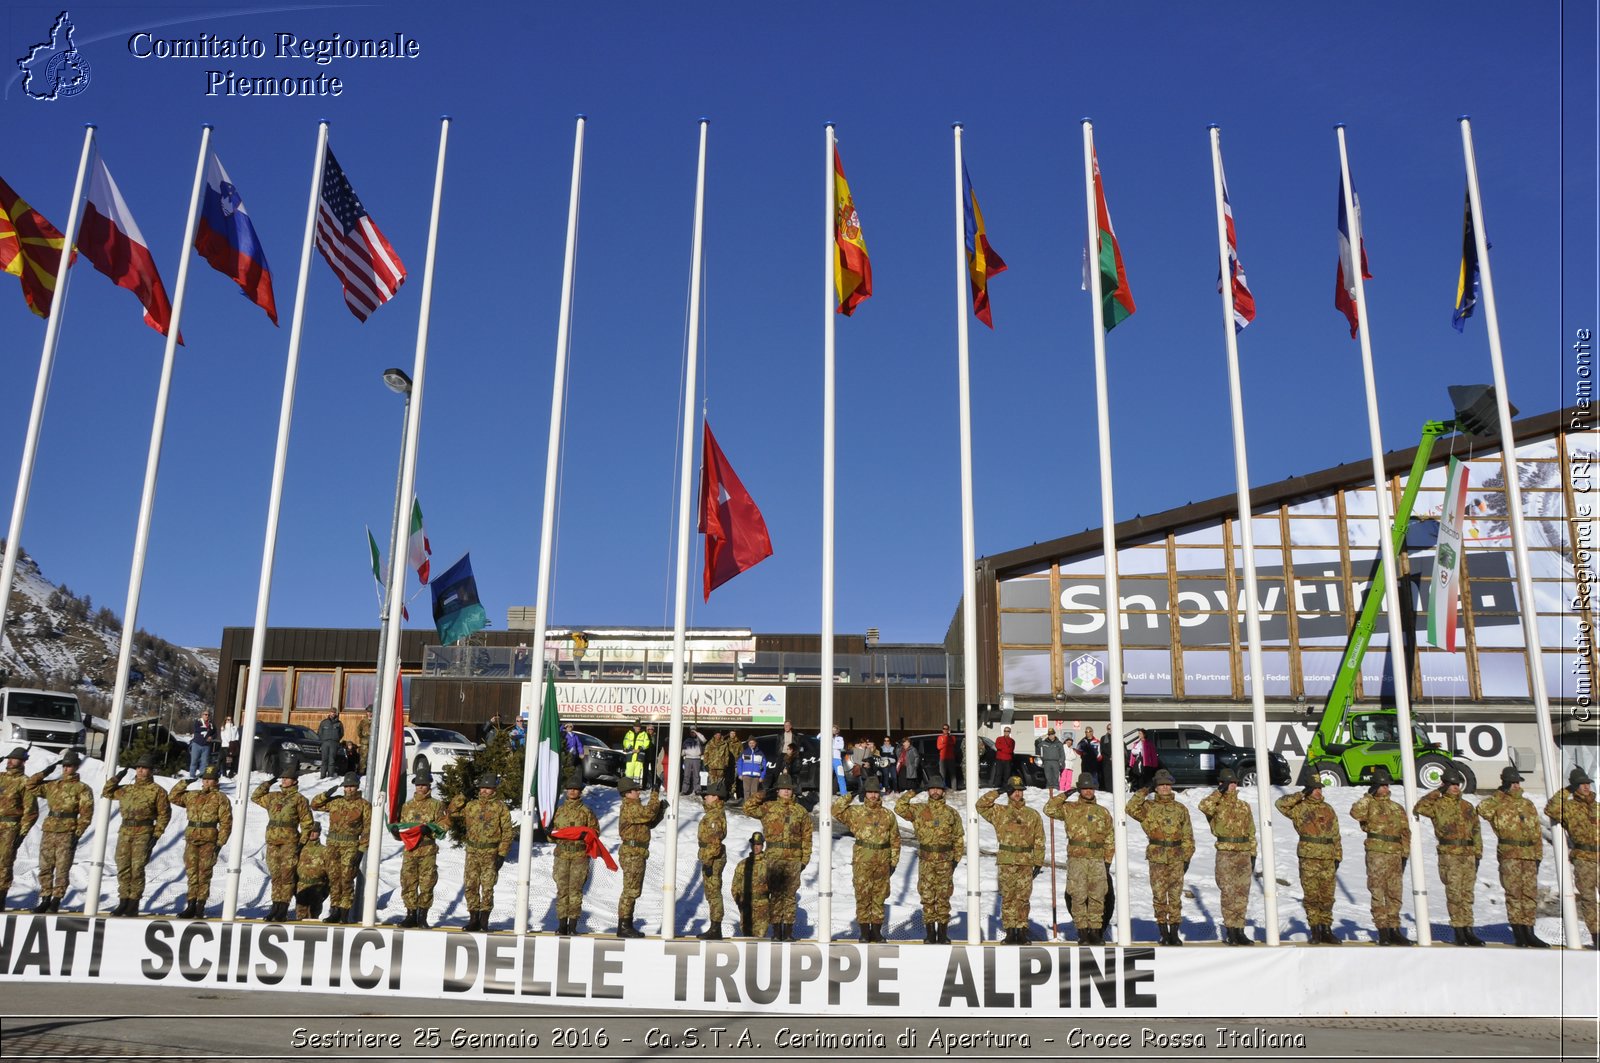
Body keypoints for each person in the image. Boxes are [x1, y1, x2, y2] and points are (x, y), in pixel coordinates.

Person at [1475, 765, 1548, 947]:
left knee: (1529, 895)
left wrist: (1538, 855)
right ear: (1505, 784)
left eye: (1517, 782)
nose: (1516, 786)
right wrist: (1500, 793)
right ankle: (1519, 934)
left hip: (1529, 854)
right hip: (1510, 855)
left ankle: (1530, 932)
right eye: (1512, 783)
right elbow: (1481, 809)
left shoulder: (1527, 804)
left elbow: (1536, 832)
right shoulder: (1497, 803)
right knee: (1514, 894)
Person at [1413, 766, 1484, 946]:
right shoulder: (1437, 804)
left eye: (1457, 784)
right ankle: (1458, 930)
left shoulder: (1467, 806)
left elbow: (1476, 830)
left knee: (1467, 893)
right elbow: (1420, 807)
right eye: (1451, 784)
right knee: (1454, 893)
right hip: (1449, 854)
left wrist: (1478, 852)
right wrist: (1437, 791)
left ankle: (1469, 929)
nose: (1455, 787)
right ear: (1445, 785)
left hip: (1468, 854)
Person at [1043, 772, 1115, 944]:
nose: (1088, 791)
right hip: (1077, 859)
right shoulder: (1069, 808)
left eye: (1090, 788)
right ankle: (1082, 932)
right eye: (1084, 788)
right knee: (1078, 896)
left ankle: (1095, 932)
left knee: (1098, 896)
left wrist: (1107, 861)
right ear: (1079, 790)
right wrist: (1066, 793)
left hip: (1097, 859)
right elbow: (1049, 809)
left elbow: (1110, 838)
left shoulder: (1102, 812)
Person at [1127, 768, 1195, 945]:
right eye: (1160, 785)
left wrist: (1186, 858)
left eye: (1167, 785)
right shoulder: (1148, 808)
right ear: (1155, 788)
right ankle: (1163, 932)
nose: (1164, 788)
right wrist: (1144, 789)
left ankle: (1174, 932)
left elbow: (1188, 835)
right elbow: (1130, 807)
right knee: (1159, 896)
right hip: (1157, 856)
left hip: (1176, 857)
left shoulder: (1180, 809)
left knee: (1175, 896)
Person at [740, 772, 812, 939]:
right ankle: (776, 932)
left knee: (789, 896)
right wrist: (763, 794)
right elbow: (747, 808)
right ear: (777, 791)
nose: (786, 792)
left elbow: (807, 837)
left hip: (794, 859)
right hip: (773, 858)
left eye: (789, 789)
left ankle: (787, 932)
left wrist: (804, 860)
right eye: (782, 789)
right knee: (775, 895)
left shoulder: (800, 811)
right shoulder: (768, 807)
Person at [1346, 766, 1411, 946]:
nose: (1385, 788)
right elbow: (1355, 813)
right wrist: (1368, 796)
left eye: (1386, 785)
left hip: (1395, 854)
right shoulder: (1369, 804)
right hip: (1376, 853)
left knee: (1395, 893)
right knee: (1377, 891)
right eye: (1381, 785)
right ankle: (1382, 930)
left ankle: (1394, 929)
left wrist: (1404, 853)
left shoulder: (1396, 808)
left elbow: (1405, 832)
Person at [833, 776, 902, 942]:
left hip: (882, 862)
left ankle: (877, 932)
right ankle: (864, 932)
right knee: (863, 897)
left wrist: (893, 862)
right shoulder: (856, 813)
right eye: (869, 792)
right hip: (862, 861)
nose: (872, 795)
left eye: (875, 792)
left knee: (879, 897)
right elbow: (836, 810)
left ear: (879, 794)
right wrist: (851, 795)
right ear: (865, 794)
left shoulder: (887, 815)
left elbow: (895, 840)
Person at [102, 753, 173, 916]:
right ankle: (123, 901)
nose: (140, 771)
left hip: (144, 832)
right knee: (123, 867)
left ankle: (133, 903)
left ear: (151, 771)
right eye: (138, 768)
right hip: (125, 831)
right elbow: (107, 791)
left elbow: (164, 814)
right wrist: (118, 777)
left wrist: (156, 834)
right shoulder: (127, 789)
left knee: (137, 868)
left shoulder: (157, 791)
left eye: (144, 768)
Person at [1277, 777, 1345, 945]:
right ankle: (1315, 930)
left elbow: (1336, 834)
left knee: (1327, 896)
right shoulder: (1300, 808)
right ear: (1308, 790)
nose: (1318, 791)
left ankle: (1326, 929)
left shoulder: (1328, 809)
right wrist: (1300, 794)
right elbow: (1280, 804)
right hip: (1309, 857)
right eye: (1314, 788)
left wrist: (1338, 855)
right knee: (1311, 896)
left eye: (1320, 788)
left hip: (1328, 857)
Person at [978, 774, 1044, 943]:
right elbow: (980, 805)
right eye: (1013, 791)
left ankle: (1021, 931)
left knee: (1023, 898)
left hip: (1025, 861)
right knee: (1008, 897)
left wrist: (1038, 861)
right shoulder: (999, 812)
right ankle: (1010, 931)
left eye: (1020, 791)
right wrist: (999, 791)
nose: (1017, 794)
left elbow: (1039, 839)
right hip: (1007, 860)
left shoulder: (1032, 814)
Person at [895, 779, 963, 943]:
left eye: (938, 789)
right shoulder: (919, 810)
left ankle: (943, 933)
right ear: (928, 791)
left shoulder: (951, 813)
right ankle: (930, 934)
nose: (935, 791)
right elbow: (899, 807)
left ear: (943, 791)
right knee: (927, 896)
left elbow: (958, 839)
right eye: (932, 788)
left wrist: (955, 860)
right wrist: (913, 792)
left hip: (945, 861)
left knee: (943, 897)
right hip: (926, 860)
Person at [1198, 767, 1258, 945]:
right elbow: (1203, 806)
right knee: (1228, 892)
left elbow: (1251, 831)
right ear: (1221, 784)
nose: (1232, 786)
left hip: (1243, 852)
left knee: (1242, 893)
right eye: (1228, 783)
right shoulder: (1215, 804)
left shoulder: (1244, 806)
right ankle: (1231, 930)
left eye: (1233, 783)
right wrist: (1219, 792)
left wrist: (1252, 854)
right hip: (1225, 852)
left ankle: (1240, 930)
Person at [25, 751, 91, 913]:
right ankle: (45, 897)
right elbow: (30, 785)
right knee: (45, 866)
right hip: (49, 829)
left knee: (62, 868)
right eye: (65, 766)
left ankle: (56, 899)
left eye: (70, 766)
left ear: (76, 767)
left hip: (67, 831)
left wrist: (78, 832)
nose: (66, 769)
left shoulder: (82, 788)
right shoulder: (53, 785)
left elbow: (86, 813)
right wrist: (45, 772)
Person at [450, 774, 514, 932]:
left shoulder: (500, 807)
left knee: (487, 887)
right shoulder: (471, 805)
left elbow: (507, 832)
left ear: (494, 789)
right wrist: (462, 795)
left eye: (488, 788)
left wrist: (502, 854)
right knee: (471, 886)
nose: (484, 791)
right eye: (482, 788)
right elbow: (451, 811)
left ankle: (484, 920)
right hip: (472, 852)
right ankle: (473, 919)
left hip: (490, 852)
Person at [169, 764, 232, 919]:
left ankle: (200, 907)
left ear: (216, 781)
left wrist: (219, 844)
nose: (206, 782)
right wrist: (184, 783)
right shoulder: (193, 795)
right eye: (205, 779)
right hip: (192, 838)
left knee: (204, 874)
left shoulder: (221, 798)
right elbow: (173, 797)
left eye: (210, 780)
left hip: (209, 840)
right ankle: (190, 905)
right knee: (192, 873)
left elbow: (226, 823)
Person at [1545, 766, 1599, 950]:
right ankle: (1596, 934)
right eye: (1581, 784)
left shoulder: (1597, 807)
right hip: (1584, 858)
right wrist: (1566, 790)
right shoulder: (1568, 807)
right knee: (1588, 898)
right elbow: (1550, 809)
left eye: (1587, 784)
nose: (1586, 787)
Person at [251, 768, 313, 921]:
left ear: (295, 781)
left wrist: (302, 842)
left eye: (288, 778)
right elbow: (255, 796)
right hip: (272, 841)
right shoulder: (273, 797)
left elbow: (307, 822)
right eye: (283, 778)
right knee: (276, 876)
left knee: (287, 877)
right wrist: (268, 783)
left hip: (289, 842)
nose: (284, 780)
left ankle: (283, 908)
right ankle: (275, 906)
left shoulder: (299, 799)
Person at [310, 772, 371, 924]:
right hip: (332, 845)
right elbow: (315, 805)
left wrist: (362, 849)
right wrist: (326, 794)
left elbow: (368, 828)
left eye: (352, 786)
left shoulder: (364, 805)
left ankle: (345, 912)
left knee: (347, 879)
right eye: (347, 787)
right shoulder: (335, 802)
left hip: (350, 846)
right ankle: (335, 910)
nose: (349, 789)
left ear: (357, 787)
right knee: (333, 879)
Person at [613, 775, 664, 937]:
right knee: (630, 890)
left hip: (638, 853)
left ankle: (626, 924)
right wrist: (655, 794)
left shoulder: (635, 807)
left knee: (633, 889)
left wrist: (661, 809)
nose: (638, 793)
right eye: (634, 790)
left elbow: (649, 822)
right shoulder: (630, 807)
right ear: (626, 793)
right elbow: (649, 814)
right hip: (632, 853)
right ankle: (624, 926)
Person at [551, 772, 600, 934]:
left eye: (576, 789)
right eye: (570, 789)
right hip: (562, 856)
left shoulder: (586, 812)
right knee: (562, 890)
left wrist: (582, 836)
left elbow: (595, 833)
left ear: (580, 791)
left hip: (579, 856)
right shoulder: (558, 811)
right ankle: (561, 925)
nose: (572, 791)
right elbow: (551, 833)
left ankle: (572, 925)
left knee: (576, 891)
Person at [0, 747, 38, 910]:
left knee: (4, 863)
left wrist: (21, 834)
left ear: (22, 762)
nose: (10, 761)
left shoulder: (25, 782)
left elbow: (31, 812)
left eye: (14, 758)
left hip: (10, 827)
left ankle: (1, 897)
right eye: (9, 758)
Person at [697, 779, 729, 938]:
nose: (705, 798)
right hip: (709, 857)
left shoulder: (714, 816)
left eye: (708, 795)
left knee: (714, 893)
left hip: (713, 859)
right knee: (711, 893)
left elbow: (715, 843)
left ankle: (716, 928)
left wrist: (708, 861)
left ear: (716, 797)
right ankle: (715, 927)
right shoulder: (712, 814)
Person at [731, 832, 770, 939]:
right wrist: (740, 903)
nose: (755, 847)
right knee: (747, 939)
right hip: (747, 907)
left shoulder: (768, 864)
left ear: (762, 845)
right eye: (753, 844)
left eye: (758, 844)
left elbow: (776, 888)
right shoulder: (743, 864)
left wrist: (770, 906)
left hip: (763, 908)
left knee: (760, 939)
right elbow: (735, 886)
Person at [294, 821, 331, 921]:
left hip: (317, 888)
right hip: (302, 887)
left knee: (313, 917)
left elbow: (330, 873)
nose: (312, 834)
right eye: (310, 831)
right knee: (300, 918)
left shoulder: (324, 851)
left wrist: (325, 891)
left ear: (319, 833)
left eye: (315, 832)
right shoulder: (299, 849)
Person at [621, 721, 651, 788]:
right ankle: (628, 785)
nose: (638, 728)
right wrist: (631, 749)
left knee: (638, 771)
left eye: (639, 726)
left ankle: (636, 786)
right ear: (634, 727)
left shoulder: (644, 734)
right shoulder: (628, 733)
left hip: (639, 755)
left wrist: (639, 749)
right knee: (629, 771)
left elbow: (647, 743)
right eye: (637, 726)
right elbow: (625, 742)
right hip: (630, 755)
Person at [736, 737, 765, 803]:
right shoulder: (744, 752)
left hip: (756, 776)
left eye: (753, 743)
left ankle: (753, 806)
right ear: (748, 744)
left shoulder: (760, 753)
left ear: (756, 743)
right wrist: (740, 774)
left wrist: (762, 776)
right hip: (746, 775)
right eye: (750, 743)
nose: (752, 744)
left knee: (754, 792)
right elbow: (740, 764)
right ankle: (747, 806)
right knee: (746, 791)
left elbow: (763, 765)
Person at [316, 710, 343, 779]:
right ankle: (322, 776)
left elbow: (341, 733)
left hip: (334, 743)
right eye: (331, 712)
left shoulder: (339, 723)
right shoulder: (324, 722)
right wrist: (323, 740)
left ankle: (330, 776)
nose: (333, 714)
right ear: (329, 713)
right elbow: (319, 732)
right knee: (324, 759)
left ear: (336, 713)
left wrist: (336, 739)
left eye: (334, 712)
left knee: (332, 760)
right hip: (325, 743)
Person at [1037, 729, 1065, 794]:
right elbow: (1036, 743)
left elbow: (1062, 754)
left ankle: (1056, 789)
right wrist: (1042, 737)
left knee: (1055, 776)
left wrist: (1061, 761)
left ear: (1054, 734)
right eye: (1049, 734)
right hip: (1046, 762)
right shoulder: (1044, 742)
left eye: (1052, 734)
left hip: (1056, 762)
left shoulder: (1059, 743)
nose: (1051, 736)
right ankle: (1048, 789)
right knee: (1048, 776)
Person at [189, 712, 215, 778]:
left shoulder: (211, 724)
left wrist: (211, 737)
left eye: (208, 715)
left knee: (205, 762)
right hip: (197, 744)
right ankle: (192, 776)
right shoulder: (198, 722)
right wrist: (207, 729)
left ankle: (202, 776)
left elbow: (215, 733)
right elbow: (197, 729)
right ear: (202, 715)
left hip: (206, 746)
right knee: (194, 761)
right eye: (205, 714)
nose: (207, 716)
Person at [682, 728, 706, 797]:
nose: (693, 733)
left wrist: (697, 733)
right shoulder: (686, 740)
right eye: (691, 732)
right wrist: (683, 754)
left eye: (694, 732)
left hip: (696, 759)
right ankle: (685, 790)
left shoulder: (699, 740)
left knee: (696, 775)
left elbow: (704, 740)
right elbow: (683, 749)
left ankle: (697, 789)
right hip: (688, 759)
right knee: (686, 775)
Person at [937, 725, 958, 789]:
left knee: (953, 776)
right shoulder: (940, 737)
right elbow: (938, 747)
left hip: (951, 758)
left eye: (946, 729)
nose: (945, 730)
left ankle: (954, 789)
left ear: (948, 730)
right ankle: (942, 789)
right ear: (942, 730)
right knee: (942, 775)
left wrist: (944, 743)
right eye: (944, 728)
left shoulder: (952, 737)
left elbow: (953, 743)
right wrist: (946, 743)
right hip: (942, 759)